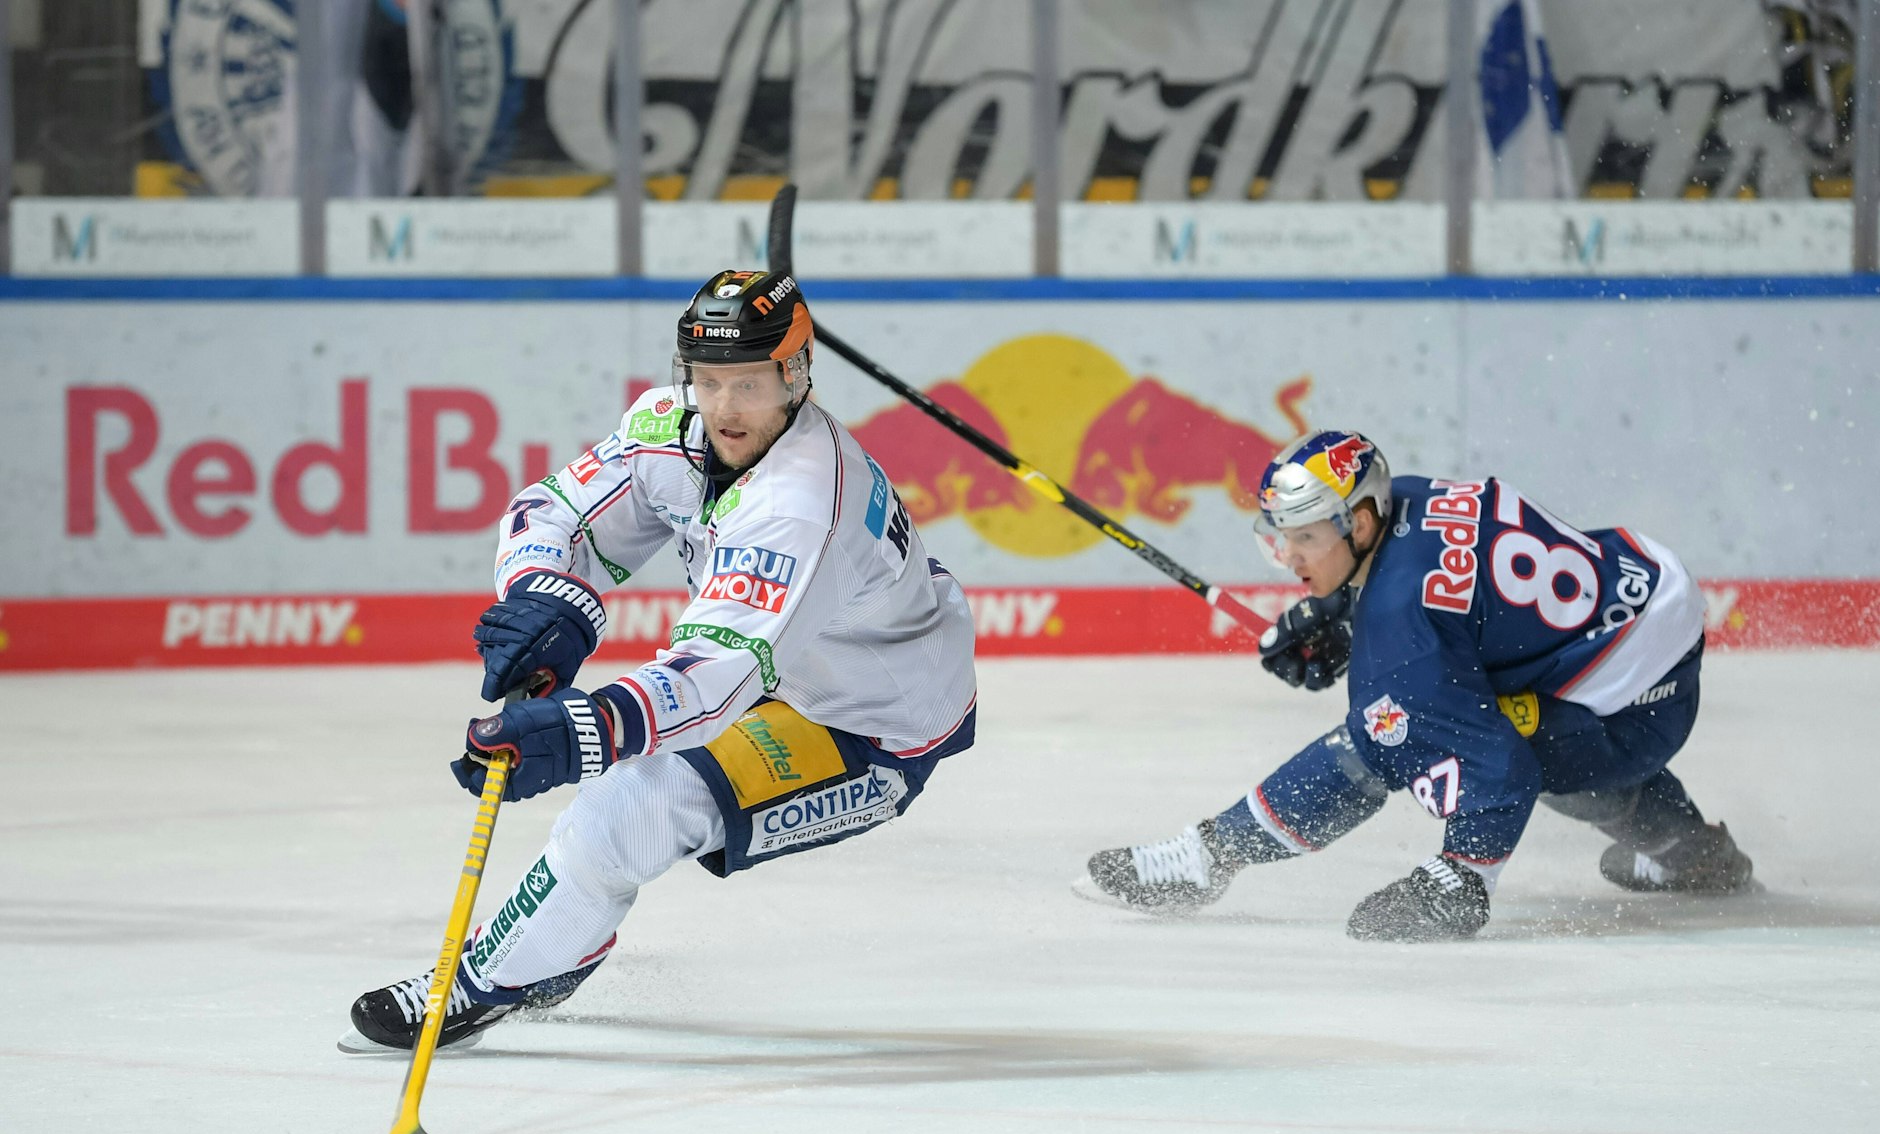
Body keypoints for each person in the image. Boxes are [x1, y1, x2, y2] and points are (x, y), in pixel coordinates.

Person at [342, 266, 977, 1050]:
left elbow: (715, 677)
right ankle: (542, 950)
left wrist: (586, 728)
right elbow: (554, 510)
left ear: (795, 374)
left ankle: (484, 981)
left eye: (747, 383)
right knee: (625, 791)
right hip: (788, 669)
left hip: (870, 722)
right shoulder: (667, 426)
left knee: (628, 808)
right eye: (707, 380)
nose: (722, 408)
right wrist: (546, 596)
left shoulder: (804, 501)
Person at [1080, 430, 1752, 942]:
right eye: (1280, 539)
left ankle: (1211, 856)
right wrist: (1351, 611)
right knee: (1439, 707)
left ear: (1362, 523)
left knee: (1385, 736)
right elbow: (1447, 592)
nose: (1288, 558)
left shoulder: (1401, 643)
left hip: (1639, 705)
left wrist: (1462, 876)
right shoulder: (1411, 495)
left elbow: (1502, 769)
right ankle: (1693, 851)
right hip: (1643, 599)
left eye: (1305, 538)